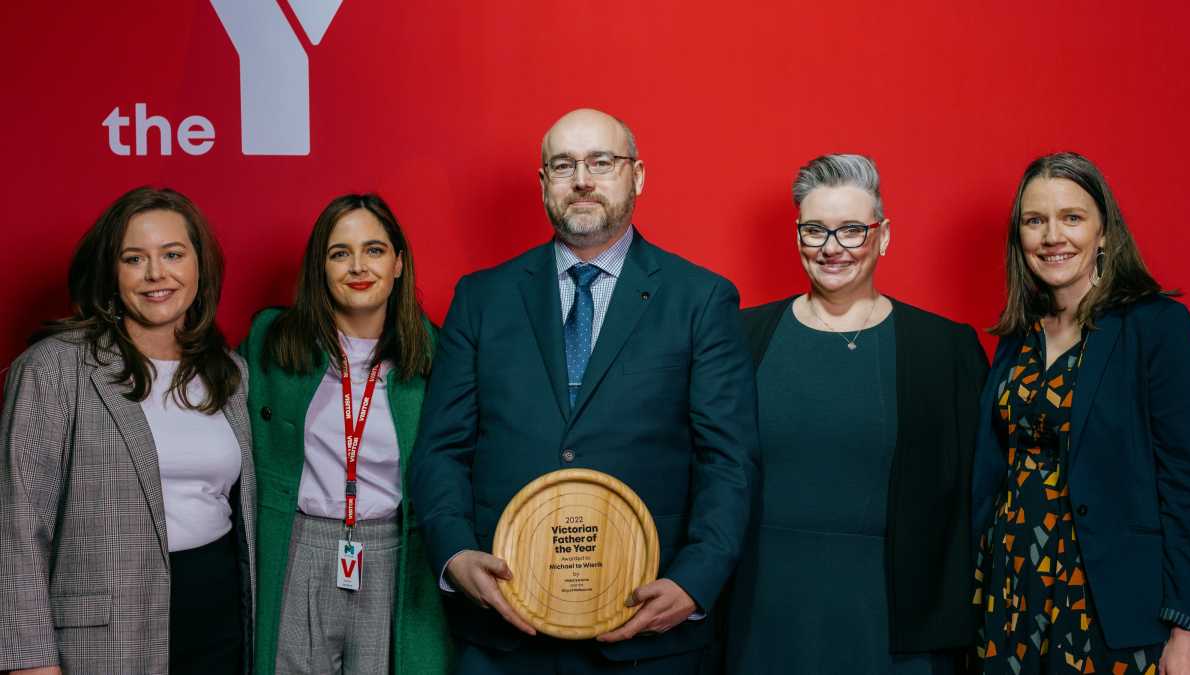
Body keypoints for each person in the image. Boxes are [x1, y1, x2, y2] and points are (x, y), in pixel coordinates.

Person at [407, 108, 758, 674]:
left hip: (647, 633)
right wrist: (453, 554)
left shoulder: (701, 300)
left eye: (602, 161)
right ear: (544, 183)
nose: (583, 179)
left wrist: (695, 583)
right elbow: (440, 449)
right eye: (564, 164)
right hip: (504, 633)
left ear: (637, 176)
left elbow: (729, 461)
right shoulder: (481, 299)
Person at [726, 154, 988, 673]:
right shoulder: (738, 338)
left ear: (883, 235)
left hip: (898, 623)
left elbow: (976, 499)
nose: (831, 249)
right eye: (814, 231)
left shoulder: (946, 349)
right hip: (761, 613)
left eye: (851, 230)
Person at [0, 187, 255, 674]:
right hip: (107, 635)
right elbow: (16, 527)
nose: (157, 274)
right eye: (134, 259)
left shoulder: (231, 373)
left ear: (199, 266)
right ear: (111, 274)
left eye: (173, 254)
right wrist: (29, 660)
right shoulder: (56, 368)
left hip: (219, 623)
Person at [971, 152, 1190, 674]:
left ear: (1103, 231)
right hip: (1010, 591)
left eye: (1072, 217)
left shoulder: (1155, 327)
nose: (1053, 236)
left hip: (1105, 599)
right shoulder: (1018, 336)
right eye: (1036, 221)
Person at [239, 193, 451, 674]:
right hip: (300, 543)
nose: (359, 265)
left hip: (394, 551)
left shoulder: (435, 353)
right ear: (321, 267)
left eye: (374, 250)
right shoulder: (270, 342)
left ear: (398, 263)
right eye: (340, 253)